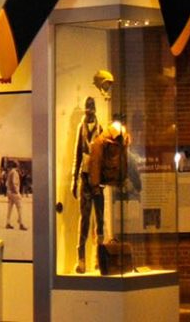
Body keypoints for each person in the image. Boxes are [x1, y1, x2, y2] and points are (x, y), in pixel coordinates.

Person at [72, 96, 105, 270]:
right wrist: (73, 180)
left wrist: (104, 180)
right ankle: (81, 259)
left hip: (98, 180)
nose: (89, 113)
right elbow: (77, 154)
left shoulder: (101, 128)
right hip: (85, 178)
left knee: (100, 220)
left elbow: (105, 157)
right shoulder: (81, 128)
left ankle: (99, 258)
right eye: (87, 109)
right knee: (84, 220)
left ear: (95, 110)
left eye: (91, 109)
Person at [3, 161, 26, 230]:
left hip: (9, 192)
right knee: (20, 208)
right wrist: (17, 192)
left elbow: (7, 183)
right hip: (14, 193)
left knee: (9, 208)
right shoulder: (14, 172)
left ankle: (8, 223)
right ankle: (21, 223)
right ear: (17, 166)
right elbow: (14, 183)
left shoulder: (10, 172)